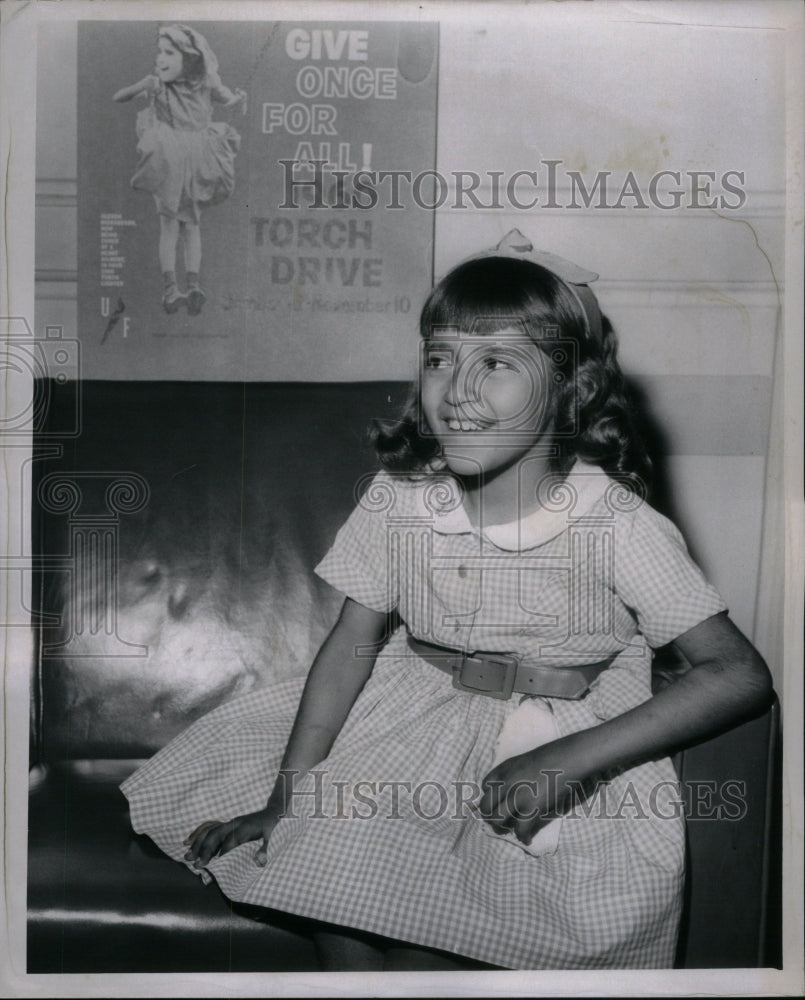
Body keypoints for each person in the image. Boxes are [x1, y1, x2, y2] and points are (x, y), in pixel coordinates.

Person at [122, 230, 773, 971]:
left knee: (426, 960)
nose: (456, 388)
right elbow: (350, 645)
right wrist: (288, 798)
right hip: (405, 730)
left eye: (495, 362)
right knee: (339, 912)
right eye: (439, 358)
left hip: (554, 752)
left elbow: (736, 674)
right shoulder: (401, 500)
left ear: (572, 389)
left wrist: (568, 761)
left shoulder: (616, 524)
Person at [113, 25, 246, 315]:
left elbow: (231, 102)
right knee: (170, 223)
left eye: (169, 53)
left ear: (190, 58)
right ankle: (171, 289)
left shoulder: (207, 82)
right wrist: (141, 86)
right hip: (169, 155)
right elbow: (119, 97)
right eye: (159, 52)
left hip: (198, 156)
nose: (160, 59)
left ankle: (194, 284)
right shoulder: (158, 84)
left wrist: (239, 100)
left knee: (193, 224)